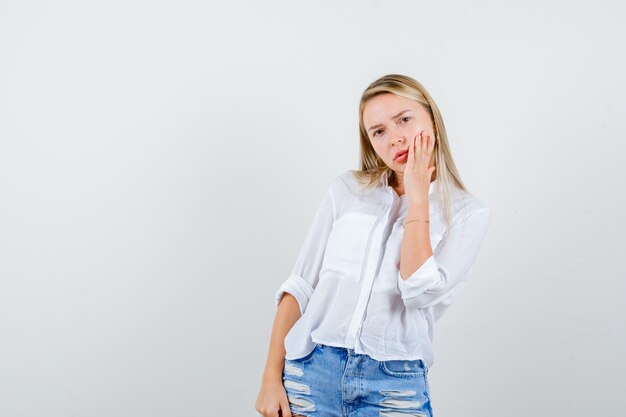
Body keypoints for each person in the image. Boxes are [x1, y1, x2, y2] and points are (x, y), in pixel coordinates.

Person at [255, 74, 492, 417]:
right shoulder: (346, 191)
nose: (395, 138)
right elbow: (300, 286)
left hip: (394, 385)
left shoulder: (469, 214)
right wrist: (269, 378)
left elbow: (416, 290)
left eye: (404, 120)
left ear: (433, 121)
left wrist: (417, 198)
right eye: (378, 131)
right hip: (311, 374)